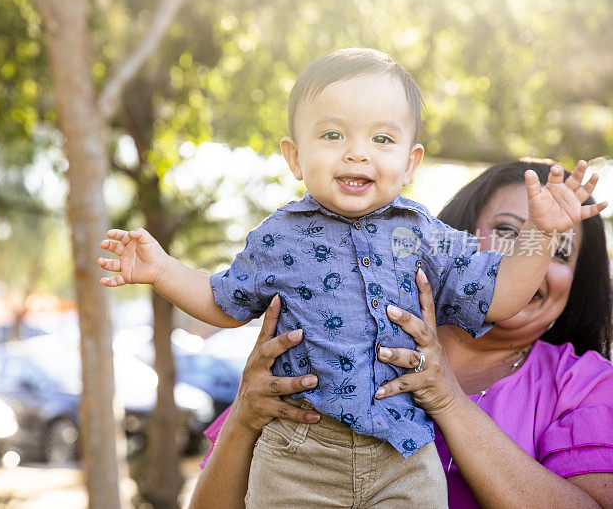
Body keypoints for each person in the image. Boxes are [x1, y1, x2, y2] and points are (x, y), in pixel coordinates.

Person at [98, 48, 604, 506]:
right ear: (294, 156)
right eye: (333, 134)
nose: (357, 152)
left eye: (381, 138)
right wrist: (162, 270)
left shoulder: (422, 236)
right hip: (298, 454)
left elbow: (501, 296)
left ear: (410, 163)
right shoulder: (279, 238)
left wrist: (541, 231)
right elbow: (222, 302)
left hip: (402, 456)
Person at [190, 161, 613, 508]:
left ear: (577, 283)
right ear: (447, 243)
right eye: (507, 230)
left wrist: (446, 398)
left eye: (556, 248)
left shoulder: (586, 385)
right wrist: (246, 415)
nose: (528, 250)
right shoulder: (336, 337)